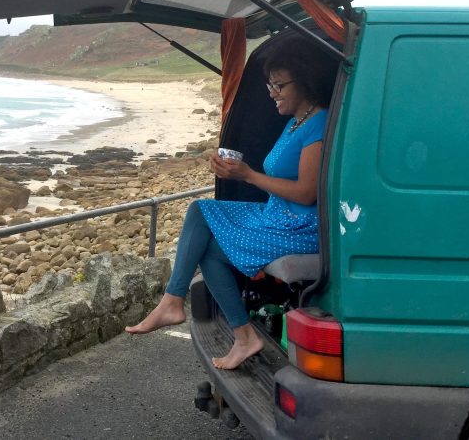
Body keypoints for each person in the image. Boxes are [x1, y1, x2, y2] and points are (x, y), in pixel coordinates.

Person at [126, 37, 330, 370]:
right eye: (269, 84)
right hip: (277, 215)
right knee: (203, 223)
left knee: (204, 224)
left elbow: (307, 193)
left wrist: (247, 175)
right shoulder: (296, 122)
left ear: (304, 81)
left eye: (279, 84)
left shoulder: (318, 123)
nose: (272, 92)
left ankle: (175, 302)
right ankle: (236, 332)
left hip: (298, 226)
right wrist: (232, 170)